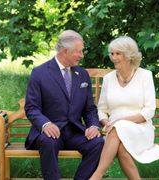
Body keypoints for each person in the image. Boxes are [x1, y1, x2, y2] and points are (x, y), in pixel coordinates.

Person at [24, 30, 104, 180]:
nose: (82, 55)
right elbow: (31, 108)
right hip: (49, 132)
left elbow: (90, 109)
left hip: (74, 132)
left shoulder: (82, 74)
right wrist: (45, 124)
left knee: (98, 143)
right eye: (78, 52)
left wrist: (93, 125)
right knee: (48, 142)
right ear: (64, 51)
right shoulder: (39, 73)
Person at [90, 36, 159, 180]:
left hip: (140, 128)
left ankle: (97, 175)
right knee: (122, 147)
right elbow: (101, 109)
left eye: (118, 53)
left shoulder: (145, 76)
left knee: (119, 128)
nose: (113, 57)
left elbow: (149, 111)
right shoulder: (109, 78)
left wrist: (120, 121)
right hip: (114, 130)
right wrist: (106, 122)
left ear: (129, 55)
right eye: (112, 54)